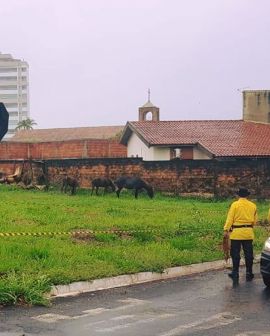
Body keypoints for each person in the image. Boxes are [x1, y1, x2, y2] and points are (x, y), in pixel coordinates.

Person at [223, 187, 258, 281]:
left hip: (236, 233)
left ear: (238, 195)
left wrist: (226, 229)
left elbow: (230, 218)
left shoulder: (235, 205)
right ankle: (249, 272)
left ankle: (235, 273)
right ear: (247, 195)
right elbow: (255, 221)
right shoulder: (253, 205)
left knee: (235, 254)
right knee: (249, 254)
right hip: (248, 233)